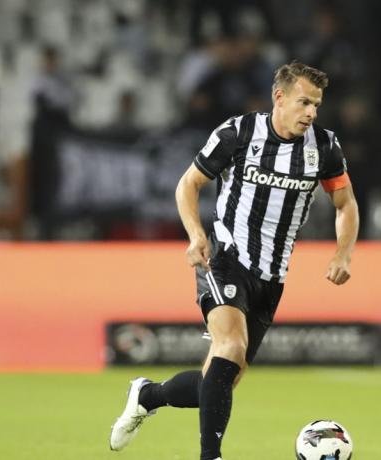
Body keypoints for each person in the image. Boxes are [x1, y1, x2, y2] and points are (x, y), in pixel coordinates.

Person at [109, 62, 359, 459]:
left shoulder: (324, 147)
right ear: (279, 97)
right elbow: (189, 184)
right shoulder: (238, 133)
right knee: (230, 348)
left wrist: (343, 253)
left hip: (272, 276)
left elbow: (345, 203)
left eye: (317, 104)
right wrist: (196, 236)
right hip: (226, 257)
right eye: (304, 102)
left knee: (220, 380)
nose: (311, 112)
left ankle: (148, 395)